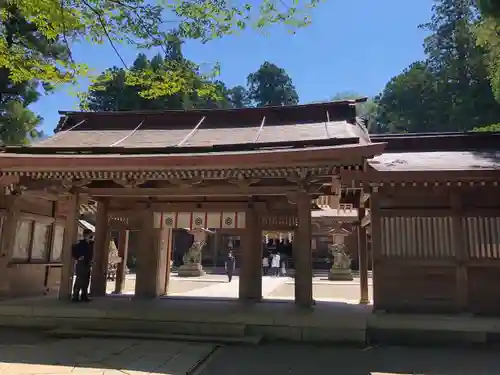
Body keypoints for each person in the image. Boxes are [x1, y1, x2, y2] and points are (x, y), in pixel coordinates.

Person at [72, 229, 94, 302]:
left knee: (86, 280)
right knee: (79, 280)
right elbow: (74, 252)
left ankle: (84, 296)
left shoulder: (91, 244)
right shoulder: (80, 244)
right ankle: (75, 296)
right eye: (90, 235)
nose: (91, 236)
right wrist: (78, 257)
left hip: (88, 263)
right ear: (86, 235)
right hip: (81, 264)